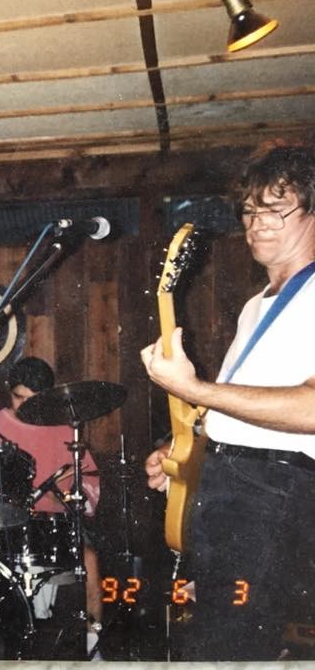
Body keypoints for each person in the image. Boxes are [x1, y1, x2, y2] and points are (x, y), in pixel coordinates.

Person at [142, 145, 315, 661]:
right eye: (250, 211)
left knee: (230, 645)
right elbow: (234, 412)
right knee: (216, 636)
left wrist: (194, 389)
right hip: (232, 488)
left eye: (275, 209)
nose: (256, 224)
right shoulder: (255, 305)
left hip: (275, 488)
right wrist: (182, 456)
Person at [0, 357, 103, 653]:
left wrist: (76, 497)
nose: (24, 406)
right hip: (4, 524)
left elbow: (89, 482)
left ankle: (93, 644)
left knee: (90, 558)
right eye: (19, 398)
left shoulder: (66, 431)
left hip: (53, 527)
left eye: (32, 400)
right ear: (9, 392)